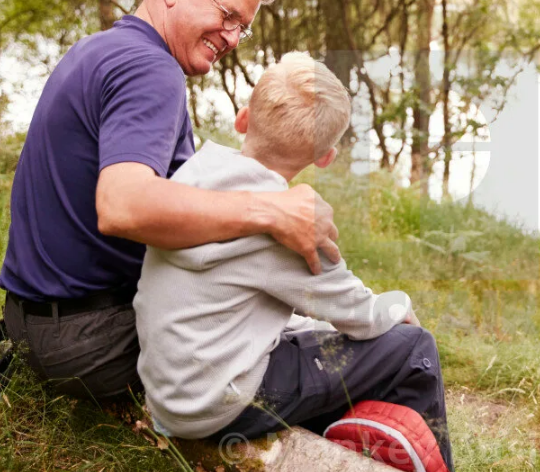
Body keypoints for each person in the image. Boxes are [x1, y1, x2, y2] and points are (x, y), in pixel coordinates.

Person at [0, 0, 342, 402]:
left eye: (243, 27)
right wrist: (274, 210)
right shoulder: (151, 69)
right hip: (89, 343)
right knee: (342, 354)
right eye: (228, 16)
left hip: (29, 325)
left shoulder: (98, 49)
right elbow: (123, 206)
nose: (233, 38)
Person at [134, 52, 453, 470]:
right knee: (414, 348)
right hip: (216, 405)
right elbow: (359, 314)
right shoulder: (287, 222)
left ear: (242, 118)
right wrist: (398, 304)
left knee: (316, 335)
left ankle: (359, 436)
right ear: (325, 157)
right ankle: (422, 461)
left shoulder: (195, 177)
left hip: (172, 388)